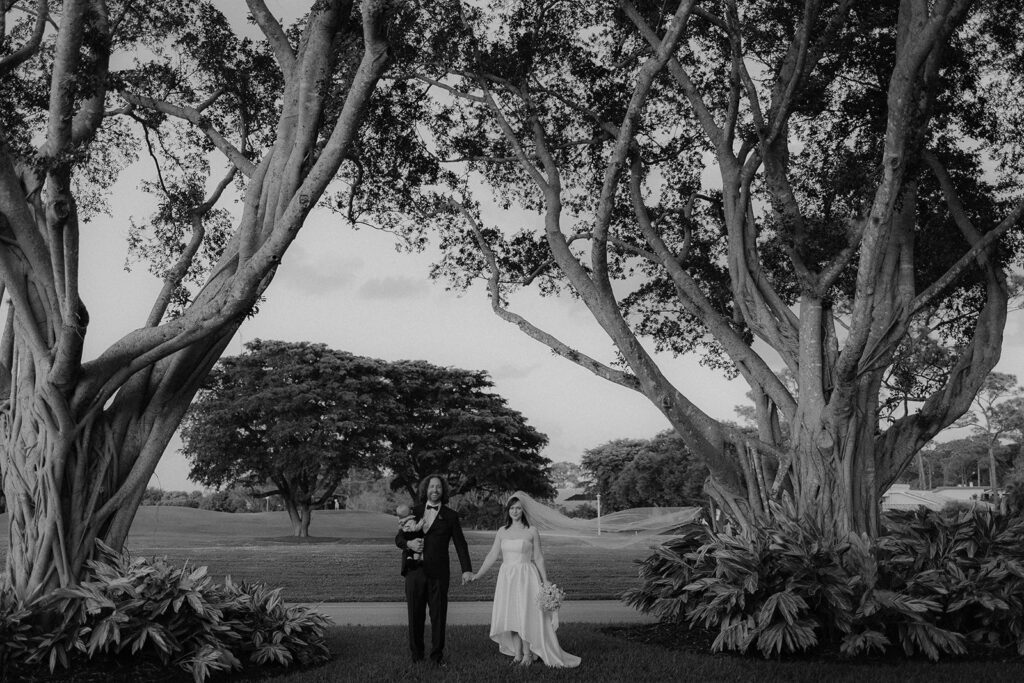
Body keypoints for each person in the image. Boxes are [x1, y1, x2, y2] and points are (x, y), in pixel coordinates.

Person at [470, 496, 581, 668]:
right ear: (508, 510)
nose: (515, 511)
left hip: (526, 577)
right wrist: (478, 574)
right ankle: (518, 653)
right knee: (511, 615)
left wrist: (545, 580)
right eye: (512, 508)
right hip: (507, 577)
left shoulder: (531, 531)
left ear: (523, 511)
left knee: (525, 614)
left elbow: (538, 557)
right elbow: (492, 555)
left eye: (518, 508)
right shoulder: (501, 531)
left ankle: (528, 655)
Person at [395, 474, 473, 665]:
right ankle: (417, 656)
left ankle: (436, 657)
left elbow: (461, 545)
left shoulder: (451, 516)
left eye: (438, 487)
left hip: (439, 574)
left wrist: (467, 570)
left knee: (438, 616)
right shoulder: (415, 511)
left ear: (443, 491)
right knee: (415, 615)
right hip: (414, 572)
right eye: (431, 487)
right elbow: (399, 539)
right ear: (426, 489)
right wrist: (410, 544)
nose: (435, 490)